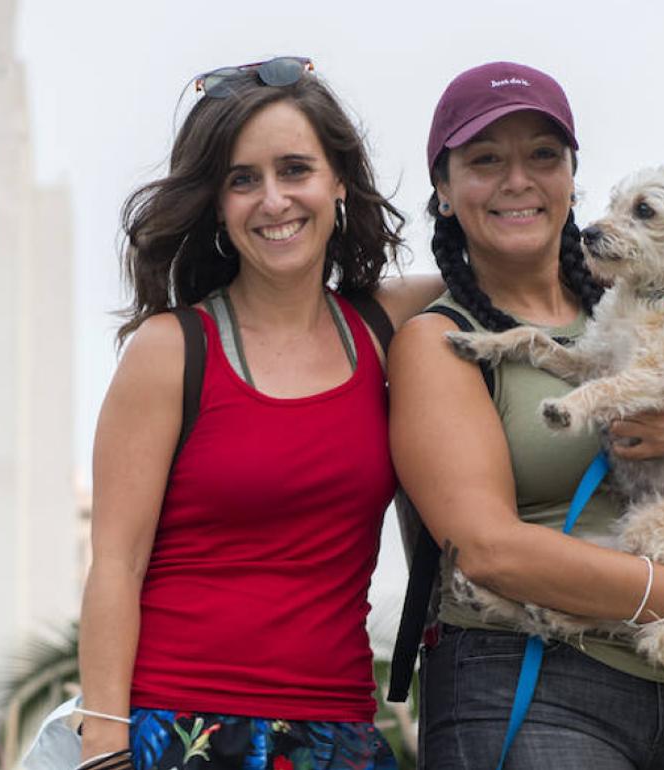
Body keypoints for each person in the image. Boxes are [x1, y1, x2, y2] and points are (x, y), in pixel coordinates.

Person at [388, 61, 664, 770]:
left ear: (571, 177)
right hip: (528, 673)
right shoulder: (441, 339)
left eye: (542, 155)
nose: (518, 180)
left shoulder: (649, 312)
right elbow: (487, 550)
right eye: (485, 160)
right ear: (443, 190)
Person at [76, 56, 442, 770]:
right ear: (216, 203)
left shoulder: (388, 324)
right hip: (179, 733)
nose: (273, 200)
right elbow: (116, 563)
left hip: (339, 737)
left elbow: (513, 269)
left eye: (295, 169)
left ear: (338, 180)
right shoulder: (169, 351)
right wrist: (103, 746)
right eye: (243, 180)